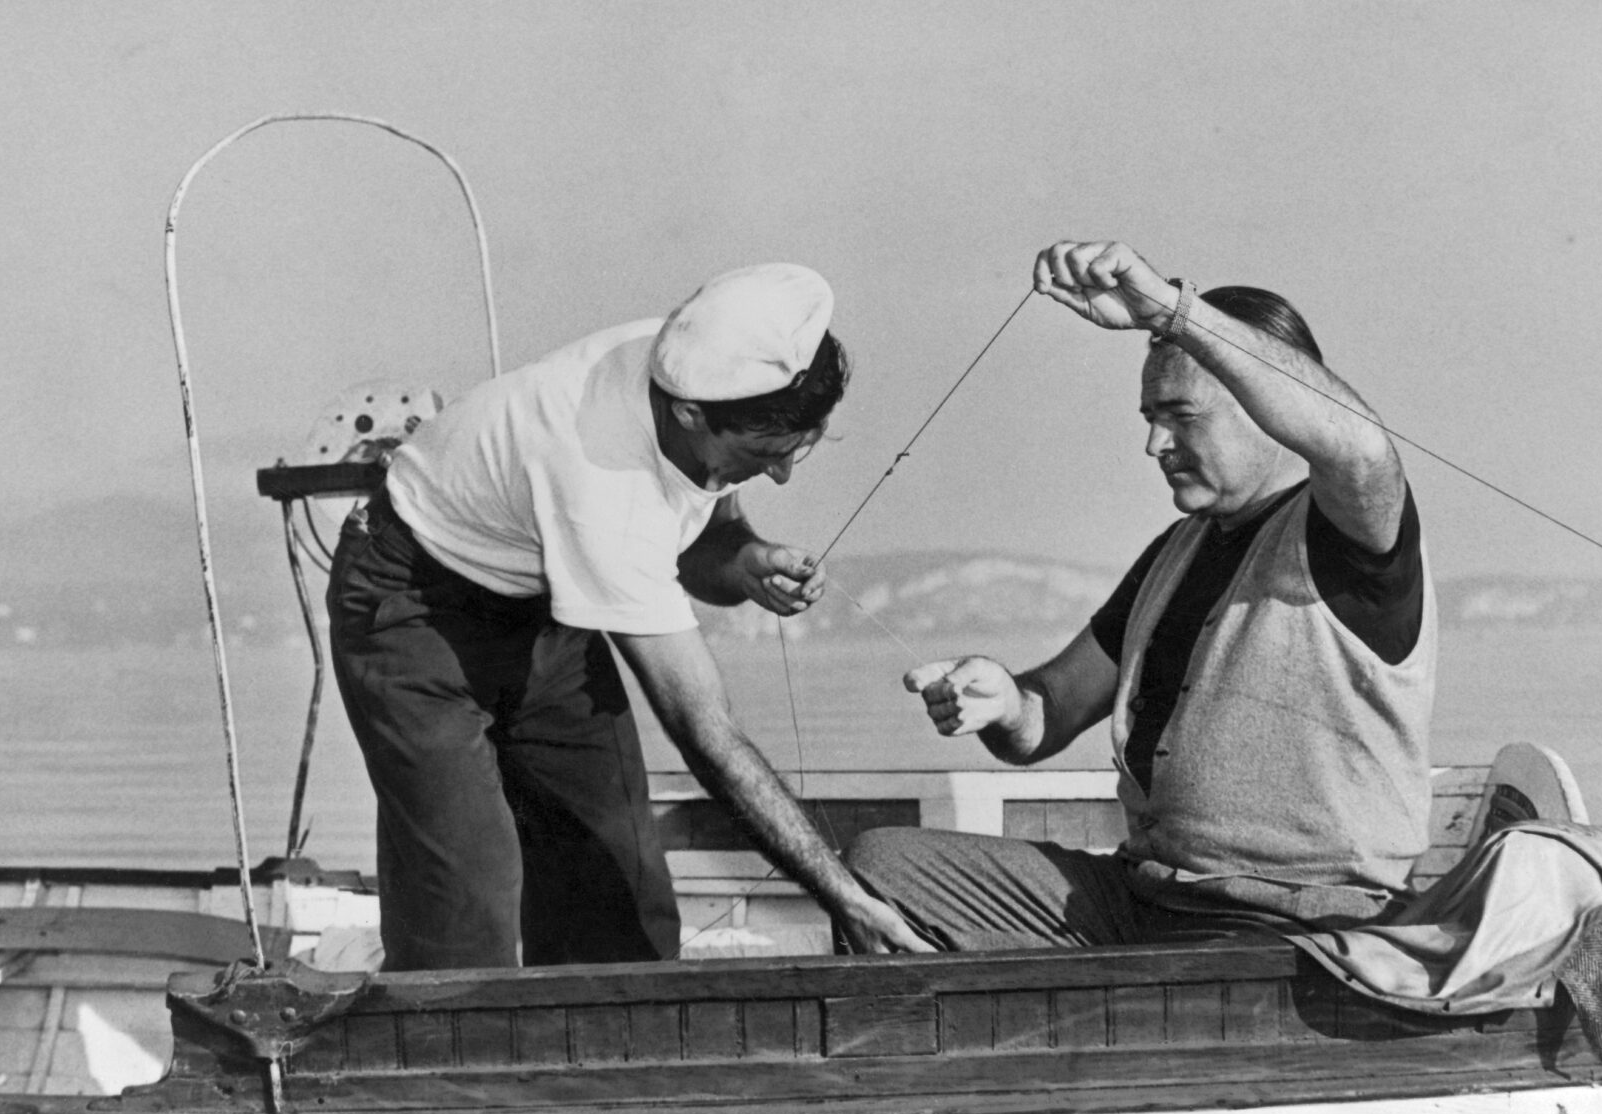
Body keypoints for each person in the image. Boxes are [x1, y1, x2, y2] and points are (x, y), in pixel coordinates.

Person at [329, 263, 934, 970]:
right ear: (689, 414)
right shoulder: (600, 482)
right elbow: (705, 733)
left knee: (622, 887)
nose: (781, 477)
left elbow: (702, 534)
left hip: (542, 605)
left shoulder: (701, 361)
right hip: (411, 606)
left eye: (800, 447)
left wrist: (744, 559)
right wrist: (847, 899)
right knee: (466, 907)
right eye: (764, 455)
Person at [846, 239, 1434, 947]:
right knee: (877, 867)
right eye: (1151, 418)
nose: (1155, 444)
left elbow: (1363, 450)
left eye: (1182, 416)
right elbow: (1048, 715)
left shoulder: (1348, 537)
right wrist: (1001, 699)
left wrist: (1174, 309)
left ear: (1269, 411)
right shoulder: (1177, 551)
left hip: (1302, 923)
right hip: (1146, 899)